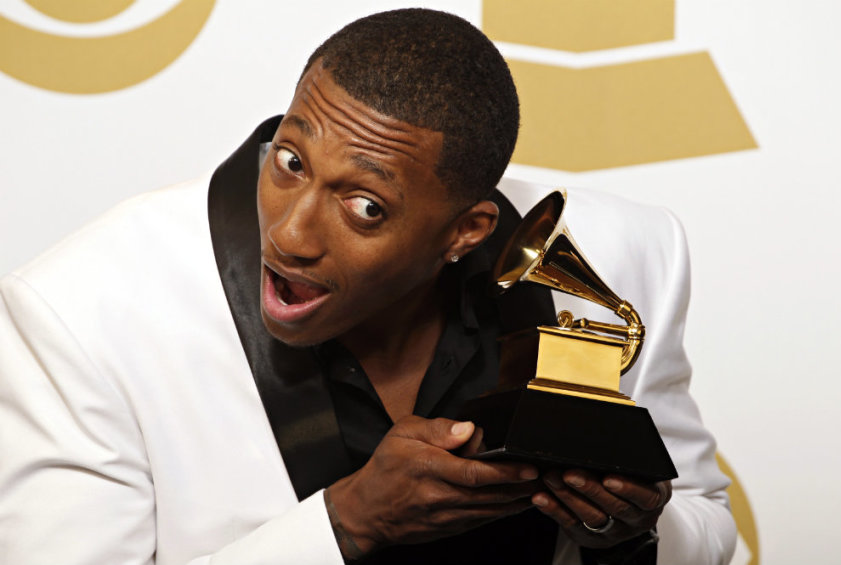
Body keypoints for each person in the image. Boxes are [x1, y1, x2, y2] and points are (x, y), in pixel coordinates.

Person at [0, 8, 736, 565]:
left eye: (366, 208)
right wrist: (344, 522)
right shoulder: (79, 312)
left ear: (466, 231)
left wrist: (631, 527)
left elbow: (709, 527)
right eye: (288, 160)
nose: (290, 234)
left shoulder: (628, 251)